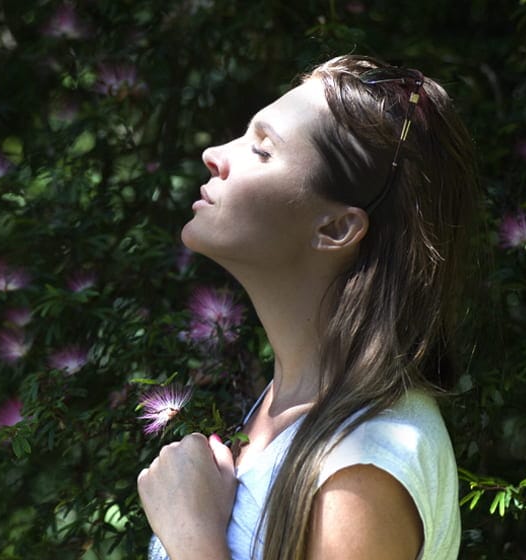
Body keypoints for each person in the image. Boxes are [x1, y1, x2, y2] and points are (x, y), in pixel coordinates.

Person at [137, 54, 479, 560]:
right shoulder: (287, 410)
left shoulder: (364, 466)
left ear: (336, 229)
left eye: (262, 149)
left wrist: (191, 537)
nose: (213, 153)